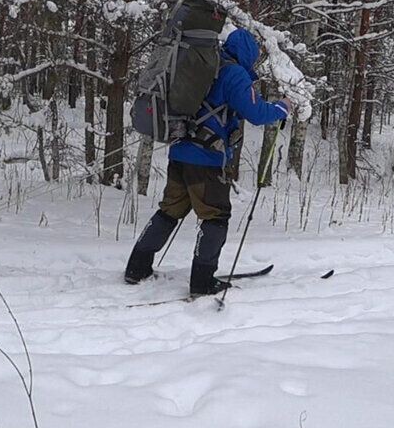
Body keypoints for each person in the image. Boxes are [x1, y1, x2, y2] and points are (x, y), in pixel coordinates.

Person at [124, 28, 291, 295]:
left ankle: (136, 268)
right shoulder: (234, 73)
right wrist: (282, 108)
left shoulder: (207, 66)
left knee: (169, 211)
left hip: (180, 151)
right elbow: (257, 113)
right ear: (248, 53)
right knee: (215, 216)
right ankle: (202, 282)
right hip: (207, 159)